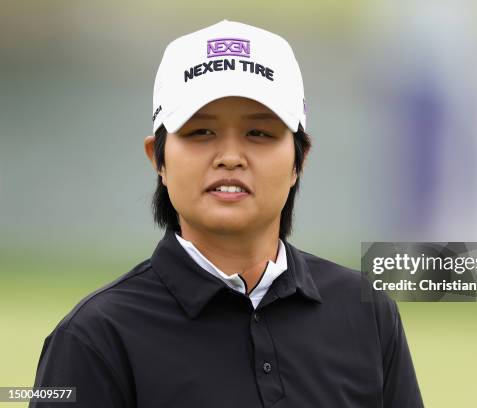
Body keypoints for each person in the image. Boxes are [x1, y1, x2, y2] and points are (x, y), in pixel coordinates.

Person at [30, 19, 424, 407]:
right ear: (159, 159)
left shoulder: (367, 314)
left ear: (299, 159)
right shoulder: (94, 337)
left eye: (260, 133)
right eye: (201, 132)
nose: (231, 157)